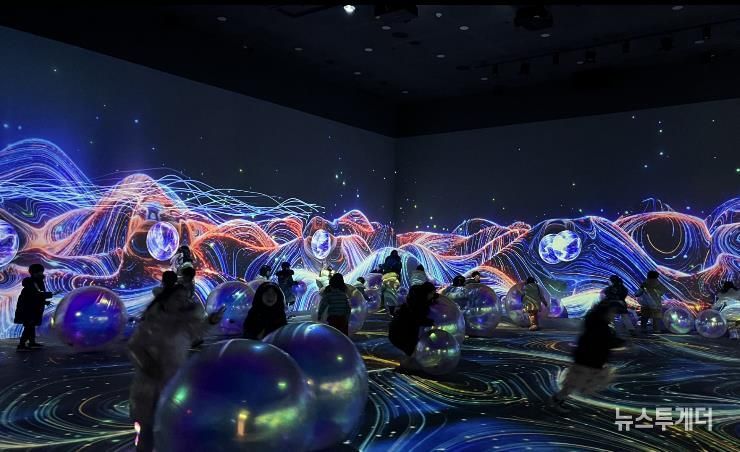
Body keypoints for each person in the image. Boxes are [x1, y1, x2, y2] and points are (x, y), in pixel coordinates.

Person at [128, 284, 224, 452]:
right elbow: (134, 347)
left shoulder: (184, 325)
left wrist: (211, 321)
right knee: (148, 427)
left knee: (172, 427)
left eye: (185, 298)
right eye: (178, 298)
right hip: (150, 386)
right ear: (166, 300)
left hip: (174, 384)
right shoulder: (151, 324)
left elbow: (198, 332)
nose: (183, 302)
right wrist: (147, 365)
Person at [549, 300, 625, 413]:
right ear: (606, 312)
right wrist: (621, 343)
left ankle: (559, 399)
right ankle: (557, 400)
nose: (614, 316)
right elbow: (605, 341)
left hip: (586, 357)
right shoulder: (600, 326)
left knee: (574, 382)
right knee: (575, 382)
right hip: (588, 359)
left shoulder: (595, 321)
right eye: (613, 313)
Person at [388, 282, 437, 371]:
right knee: (412, 350)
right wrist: (430, 322)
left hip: (401, 330)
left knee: (412, 350)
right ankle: (403, 368)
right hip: (401, 331)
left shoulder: (416, 299)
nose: (433, 296)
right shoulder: (418, 304)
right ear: (427, 293)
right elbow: (416, 318)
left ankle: (405, 367)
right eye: (432, 293)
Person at [14, 263, 57, 351]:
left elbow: (37, 296)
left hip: (33, 308)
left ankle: (32, 343)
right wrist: (50, 295)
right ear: (34, 273)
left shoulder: (37, 282)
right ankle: (21, 345)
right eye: (40, 271)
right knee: (29, 326)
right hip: (28, 309)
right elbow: (35, 294)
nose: (42, 273)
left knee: (31, 325)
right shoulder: (32, 283)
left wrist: (44, 302)